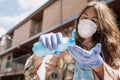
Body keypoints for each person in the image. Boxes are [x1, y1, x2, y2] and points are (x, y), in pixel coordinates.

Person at [24, 1, 120, 80]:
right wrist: (39, 55)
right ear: (78, 21)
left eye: (94, 20)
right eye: (84, 18)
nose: (87, 22)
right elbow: (30, 76)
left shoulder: (110, 50)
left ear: (99, 26)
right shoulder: (64, 47)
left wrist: (99, 66)